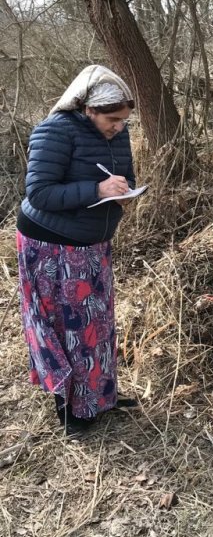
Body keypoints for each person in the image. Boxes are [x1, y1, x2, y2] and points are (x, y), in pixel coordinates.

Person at [16, 65, 139, 435]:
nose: (118, 127)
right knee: (66, 326)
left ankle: (100, 395)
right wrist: (97, 191)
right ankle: (70, 409)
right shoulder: (53, 131)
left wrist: (125, 190)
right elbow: (38, 193)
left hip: (92, 243)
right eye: (112, 120)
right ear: (88, 109)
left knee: (96, 325)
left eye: (123, 120)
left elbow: (125, 175)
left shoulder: (119, 133)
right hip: (50, 243)